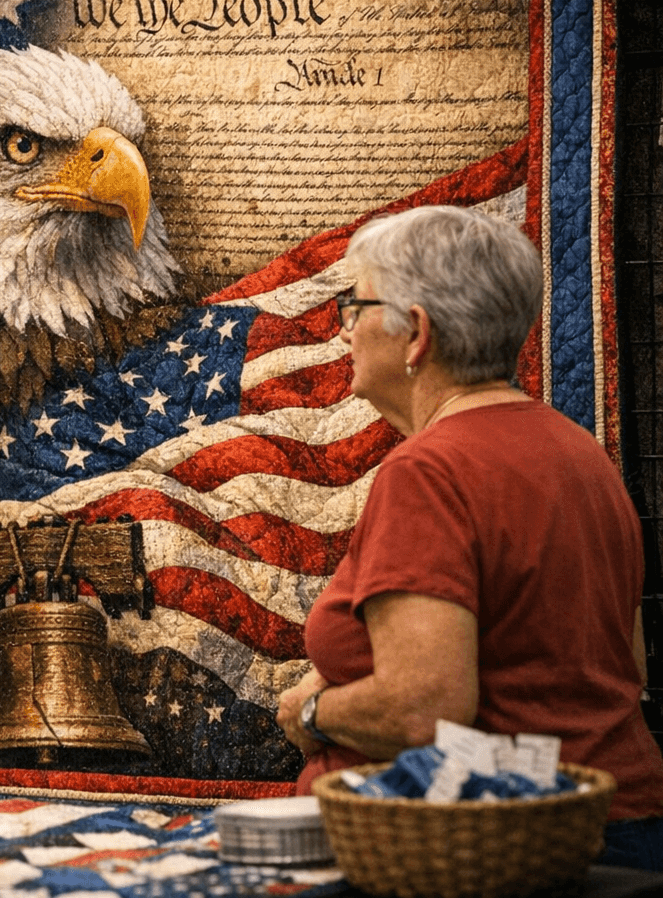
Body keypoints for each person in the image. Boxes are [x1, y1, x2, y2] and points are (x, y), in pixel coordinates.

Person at [275, 204, 663, 870]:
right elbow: (623, 668)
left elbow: (421, 713)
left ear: (416, 334)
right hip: (616, 831)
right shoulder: (583, 454)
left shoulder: (427, 472)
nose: (345, 332)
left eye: (356, 307)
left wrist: (313, 711)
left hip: (494, 856)